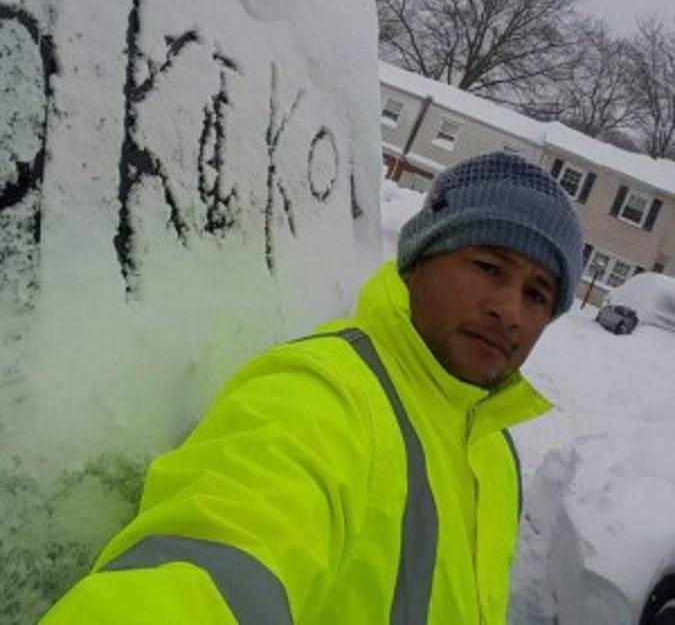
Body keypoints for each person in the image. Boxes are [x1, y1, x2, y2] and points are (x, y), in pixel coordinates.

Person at [41, 151, 583, 624]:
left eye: (538, 295)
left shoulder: (494, 449)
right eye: (489, 267)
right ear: (418, 262)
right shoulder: (323, 396)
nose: (509, 310)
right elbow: (212, 567)